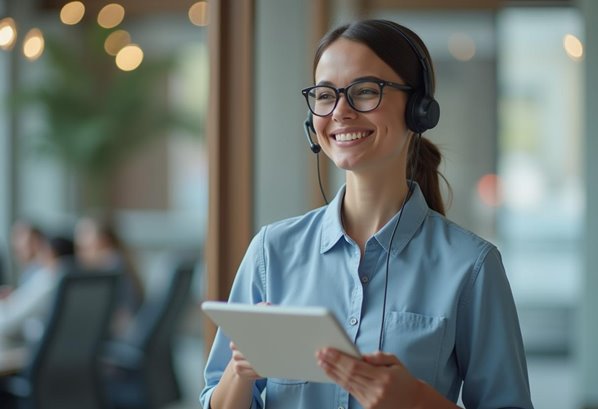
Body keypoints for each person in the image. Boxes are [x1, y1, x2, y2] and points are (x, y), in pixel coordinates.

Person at [200, 19, 533, 409]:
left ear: (418, 110)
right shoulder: (271, 252)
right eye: (325, 95)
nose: (340, 111)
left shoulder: (472, 267)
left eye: (364, 91)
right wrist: (240, 370)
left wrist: (416, 401)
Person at [74, 216, 144, 337]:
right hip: (129, 335)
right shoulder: (122, 263)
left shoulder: (109, 266)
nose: (79, 254)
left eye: (84, 247)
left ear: (104, 240)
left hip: (119, 336)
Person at [0, 234, 74, 344]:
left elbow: (7, 323)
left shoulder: (48, 280)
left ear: (50, 253)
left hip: (38, 346)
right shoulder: (72, 278)